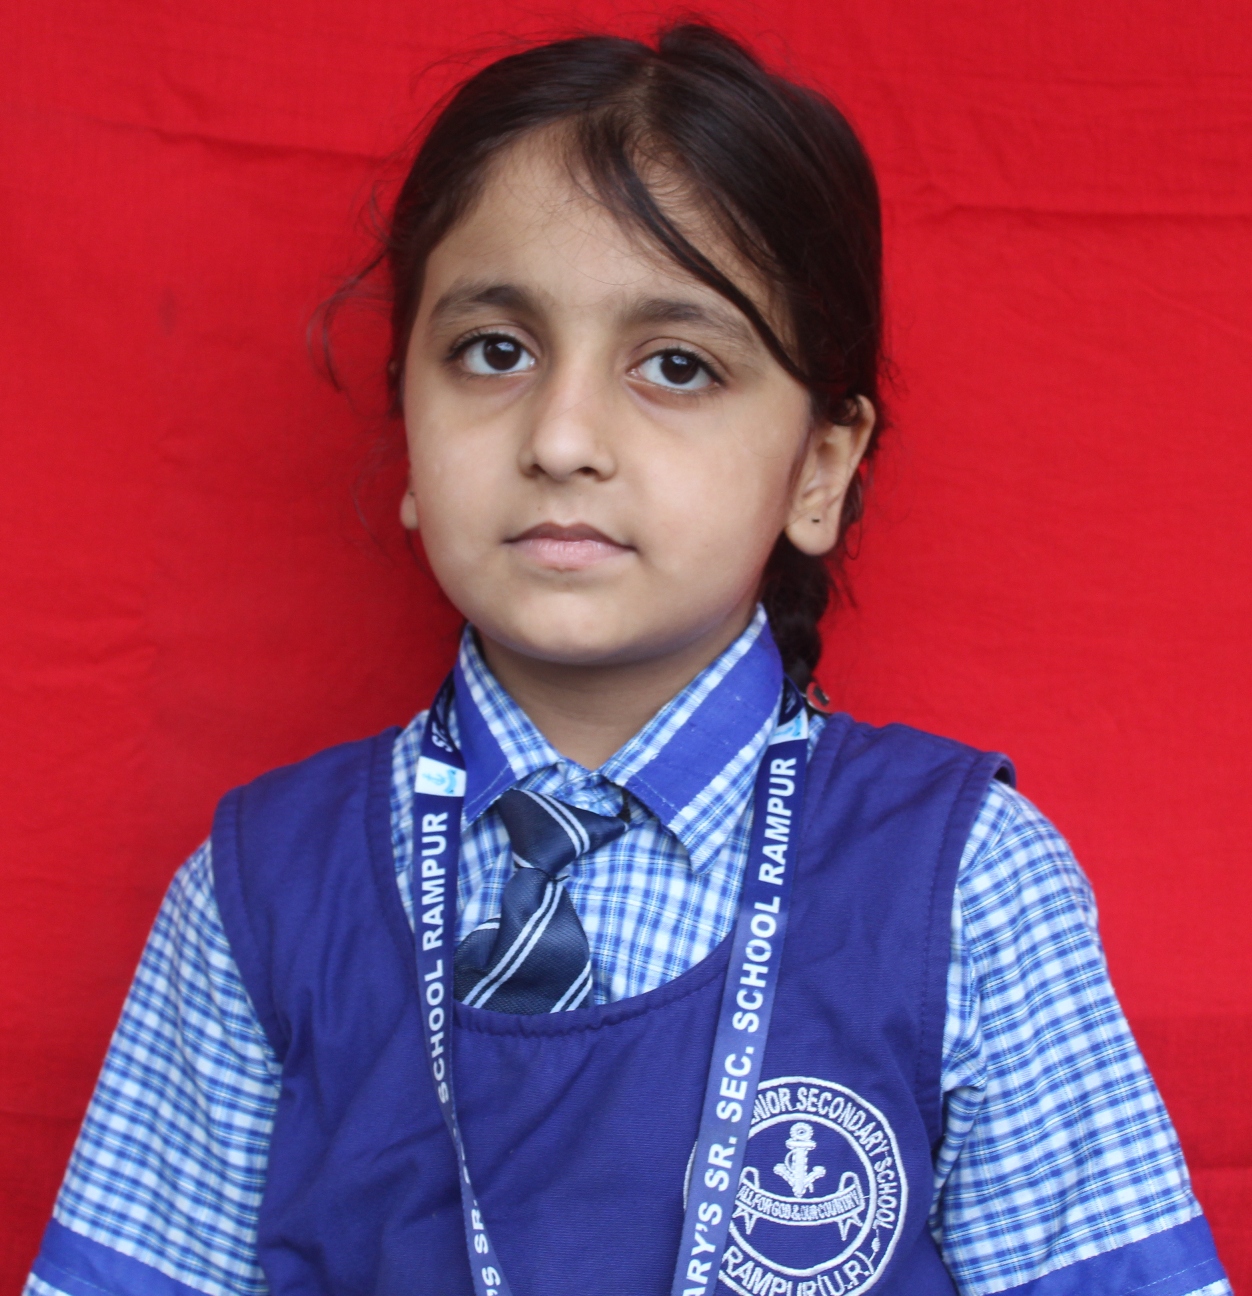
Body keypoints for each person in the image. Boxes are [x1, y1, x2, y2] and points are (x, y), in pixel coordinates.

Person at [23, 23, 1230, 1296]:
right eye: (494, 351)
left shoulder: (965, 880)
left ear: (818, 470)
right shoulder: (261, 890)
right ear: (408, 426)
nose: (561, 438)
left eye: (675, 365)